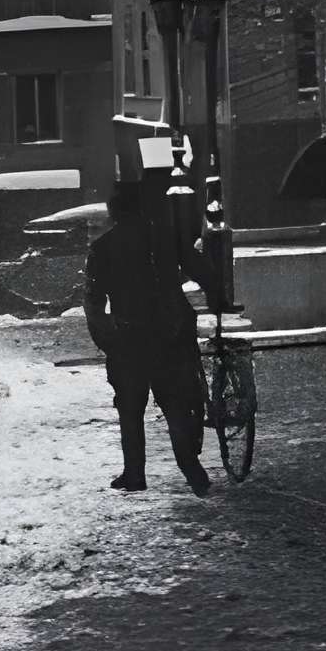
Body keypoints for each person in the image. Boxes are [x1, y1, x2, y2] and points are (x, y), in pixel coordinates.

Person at [84, 181, 212, 496]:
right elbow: (199, 270)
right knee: (175, 406)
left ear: (114, 211)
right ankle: (192, 471)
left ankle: (135, 474)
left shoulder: (103, 248)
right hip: (169, 334)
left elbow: (94, 302)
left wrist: (107, 339)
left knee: (130, 410)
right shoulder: (165, 239)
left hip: (128, 338)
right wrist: (218, 290)